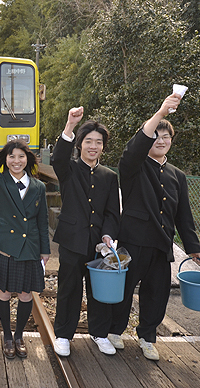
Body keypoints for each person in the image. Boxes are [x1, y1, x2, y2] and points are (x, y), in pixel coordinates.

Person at [109, 93, 200, 361]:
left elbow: (184, 216)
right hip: (133, 240)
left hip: (163, 243)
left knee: (157, 293)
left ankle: (147, 337)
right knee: (125, 289)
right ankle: (114, 331)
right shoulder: (134, 167)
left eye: (166, 137)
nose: (161, 141)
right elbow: (134, 148)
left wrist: (194, 249)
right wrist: (162, 112)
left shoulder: (178, 176)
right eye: (156, 137)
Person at [0, 134, 50, 359]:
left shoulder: (39, 187)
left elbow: (42, 220)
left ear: (28, 159)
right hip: (4, 245)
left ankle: (19, 335)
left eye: (21, 156)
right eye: (11, 157)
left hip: (30, 246)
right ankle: (6, 335)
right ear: (5, 160)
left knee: (25, 294)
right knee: (3, 292)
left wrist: (45, 250)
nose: (16, 160)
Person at [50, 107, 121, 357]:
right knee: (68, 289)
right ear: (79, 145)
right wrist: (70, 125)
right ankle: (63, 335)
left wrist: (108, 235)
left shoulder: (109, 176)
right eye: (88, 141)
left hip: (98, 246)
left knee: (99, 291)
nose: (93, 146)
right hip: (71, 241)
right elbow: (58, 157)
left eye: (98, 142)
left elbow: (113, 212)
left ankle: (99, 333)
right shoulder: (68, 170)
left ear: (103, 147)